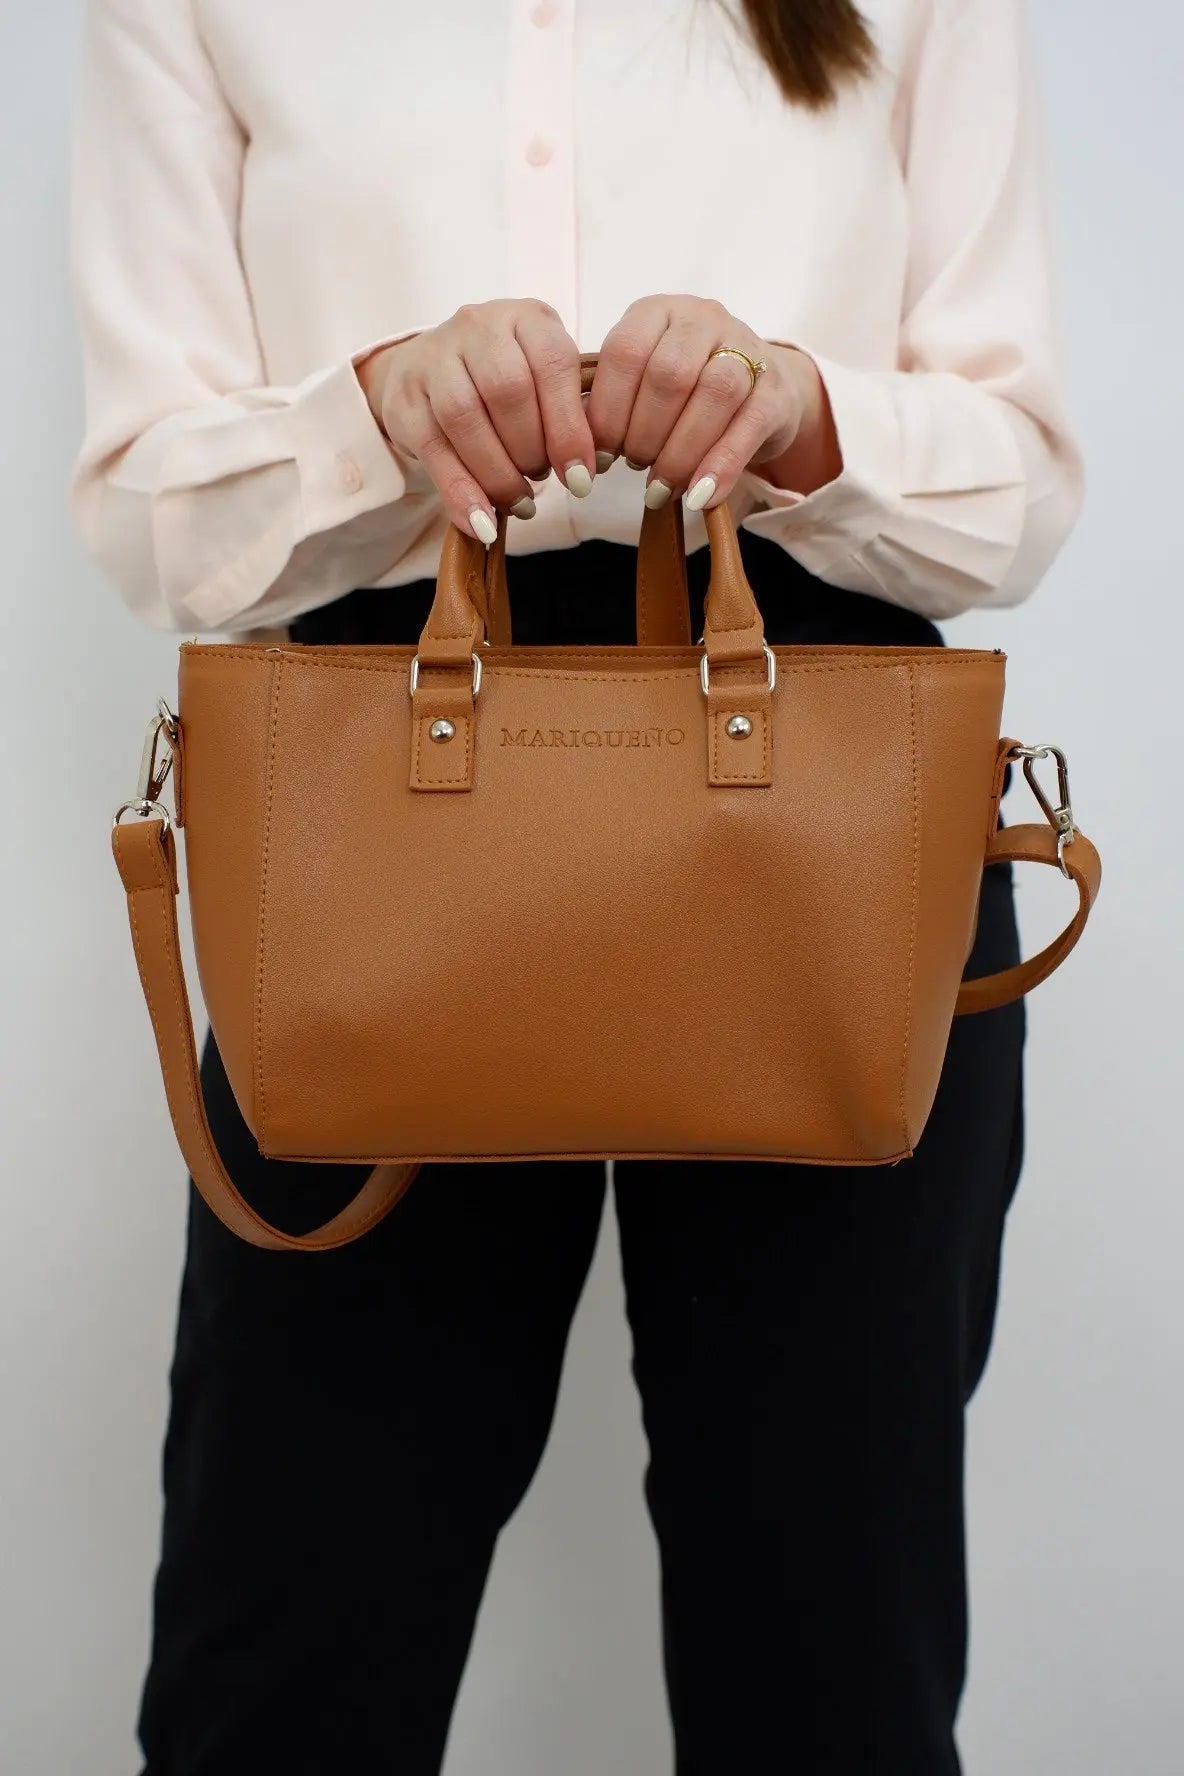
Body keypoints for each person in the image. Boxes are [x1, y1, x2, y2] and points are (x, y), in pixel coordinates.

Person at [69, 2, 1082, 1771]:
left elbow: (1021, 478)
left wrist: (805, 409)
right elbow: (151, 512)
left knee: (834, 1656)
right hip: (376, 792)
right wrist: (372, 409)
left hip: (824, 797)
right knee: (286, 1643)